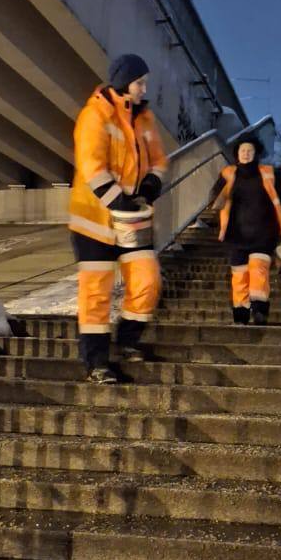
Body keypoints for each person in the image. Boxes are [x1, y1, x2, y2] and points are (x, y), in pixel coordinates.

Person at [68, 53, 168, 383]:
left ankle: (127, 341)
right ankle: (96, 362)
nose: (144, 88)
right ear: (125, 82)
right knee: (96, 292)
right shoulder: (94, 115)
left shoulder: (145, 119)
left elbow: (158, 160)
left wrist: (152, 182)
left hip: (131, 220)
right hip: (93, 220)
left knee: (147, 280)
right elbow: (92, 168)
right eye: (140, 82)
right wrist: (118, 201)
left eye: (145, 83)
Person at [206, 137, 281, 325]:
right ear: (237, 154)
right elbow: (214, 200)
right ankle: (240, 314)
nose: (246, 154)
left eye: (250, 151)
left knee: (258, 271)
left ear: (256, 154)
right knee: (239, 276)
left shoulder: (267, 173)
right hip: (237, 234)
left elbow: (280, 203)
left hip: (264, 232)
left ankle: (259, 310)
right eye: (242, 150)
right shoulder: (228, 174)